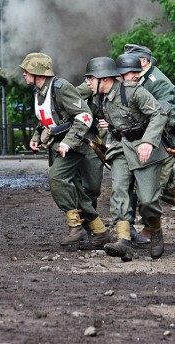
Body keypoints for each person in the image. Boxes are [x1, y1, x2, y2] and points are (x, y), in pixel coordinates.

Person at [21, 53, 109, 249]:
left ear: (37, 73)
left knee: (66, 181)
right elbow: (47, 118)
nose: (24, 75)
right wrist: (37, 137)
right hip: (61, 146)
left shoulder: (60, 88)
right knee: (74, 187)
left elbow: (84, 115)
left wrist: (68, 141)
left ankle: (80, 227)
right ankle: (98, 231)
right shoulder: (40, 91)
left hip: (78, 145)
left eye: (26, 71)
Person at [84, 56, 168, 260]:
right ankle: (123, 241)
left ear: (103, 78)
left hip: (144, 148)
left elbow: (159, 114)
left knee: (147, 200)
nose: (87, 82)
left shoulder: (132, 91)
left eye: (90, 78)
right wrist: (109, 132)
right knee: (119, 191)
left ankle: (156, 231)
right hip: (121, 148)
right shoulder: (99, 97)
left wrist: (148, 141)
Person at [117, 50, 175, 238]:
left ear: (143, 61)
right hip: (150, 141)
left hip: (166, 141)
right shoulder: (141, 78)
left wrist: (148, 138)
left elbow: (166, 115)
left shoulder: (158, 81)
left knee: (149, 187)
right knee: (164, 186)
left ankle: (150, 228)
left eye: (133, 61)